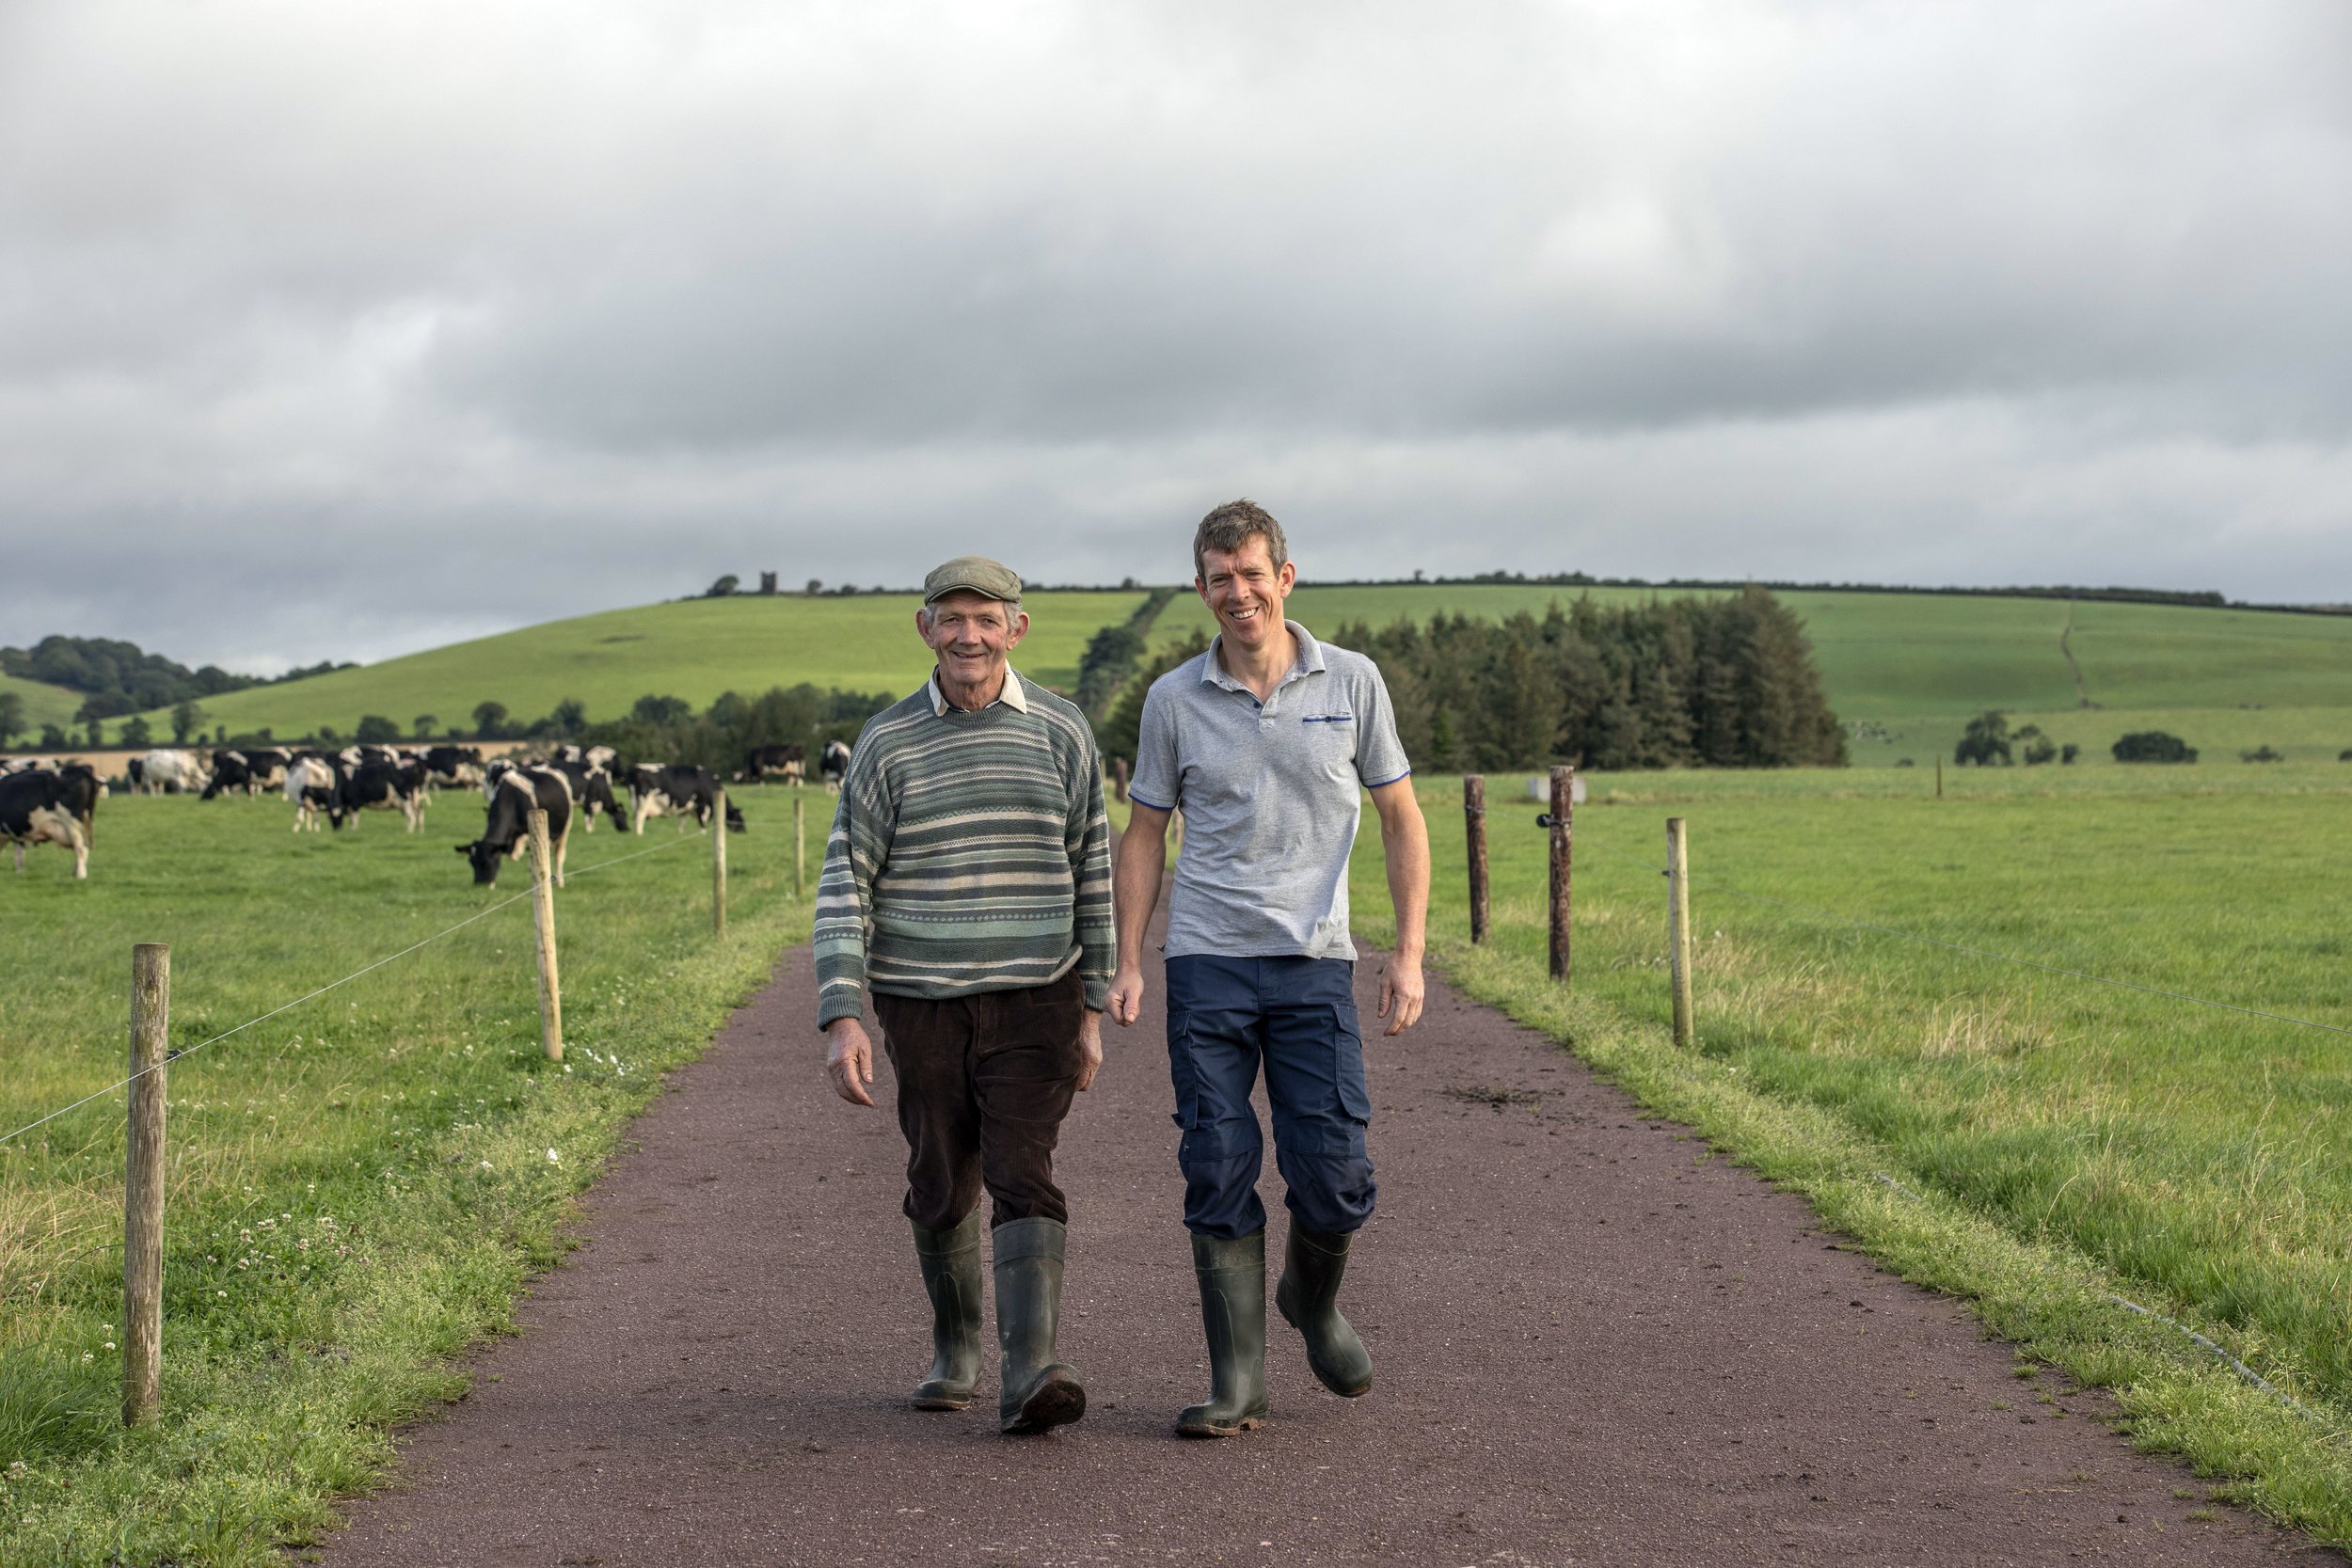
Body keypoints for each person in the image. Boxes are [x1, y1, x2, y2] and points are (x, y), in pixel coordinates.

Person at [1108, 499, 1430, 1438]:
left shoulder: (1353, 682)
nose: (1237, 591)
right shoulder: (1173, 699)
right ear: (1200, 588)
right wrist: (1130, 957)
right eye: (1219, 576)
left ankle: (1311, 1298)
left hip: (1314, 961)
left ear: (1284, 577)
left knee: (1333, 1174)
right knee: (1215, 1160)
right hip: (1206, 959)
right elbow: (1144, 833)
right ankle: (1237, 1381)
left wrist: (1407, 953)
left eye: (1252, 572)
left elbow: (1404, 818)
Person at [816, 556, 1111, 1435]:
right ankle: (957, 1346)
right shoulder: (887, 741)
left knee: (1026, 1170)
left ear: (1017, 629)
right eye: (952, 618)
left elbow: (1092, 866)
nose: (969, 635)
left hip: (1038, 997)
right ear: (925, 629)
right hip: (922, 1000)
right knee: (941, 1177)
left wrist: (1093, 1005)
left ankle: (1032, 1370)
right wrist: (843, 1010)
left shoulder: (1062, 730)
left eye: (987, 618)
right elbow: (845, 877)